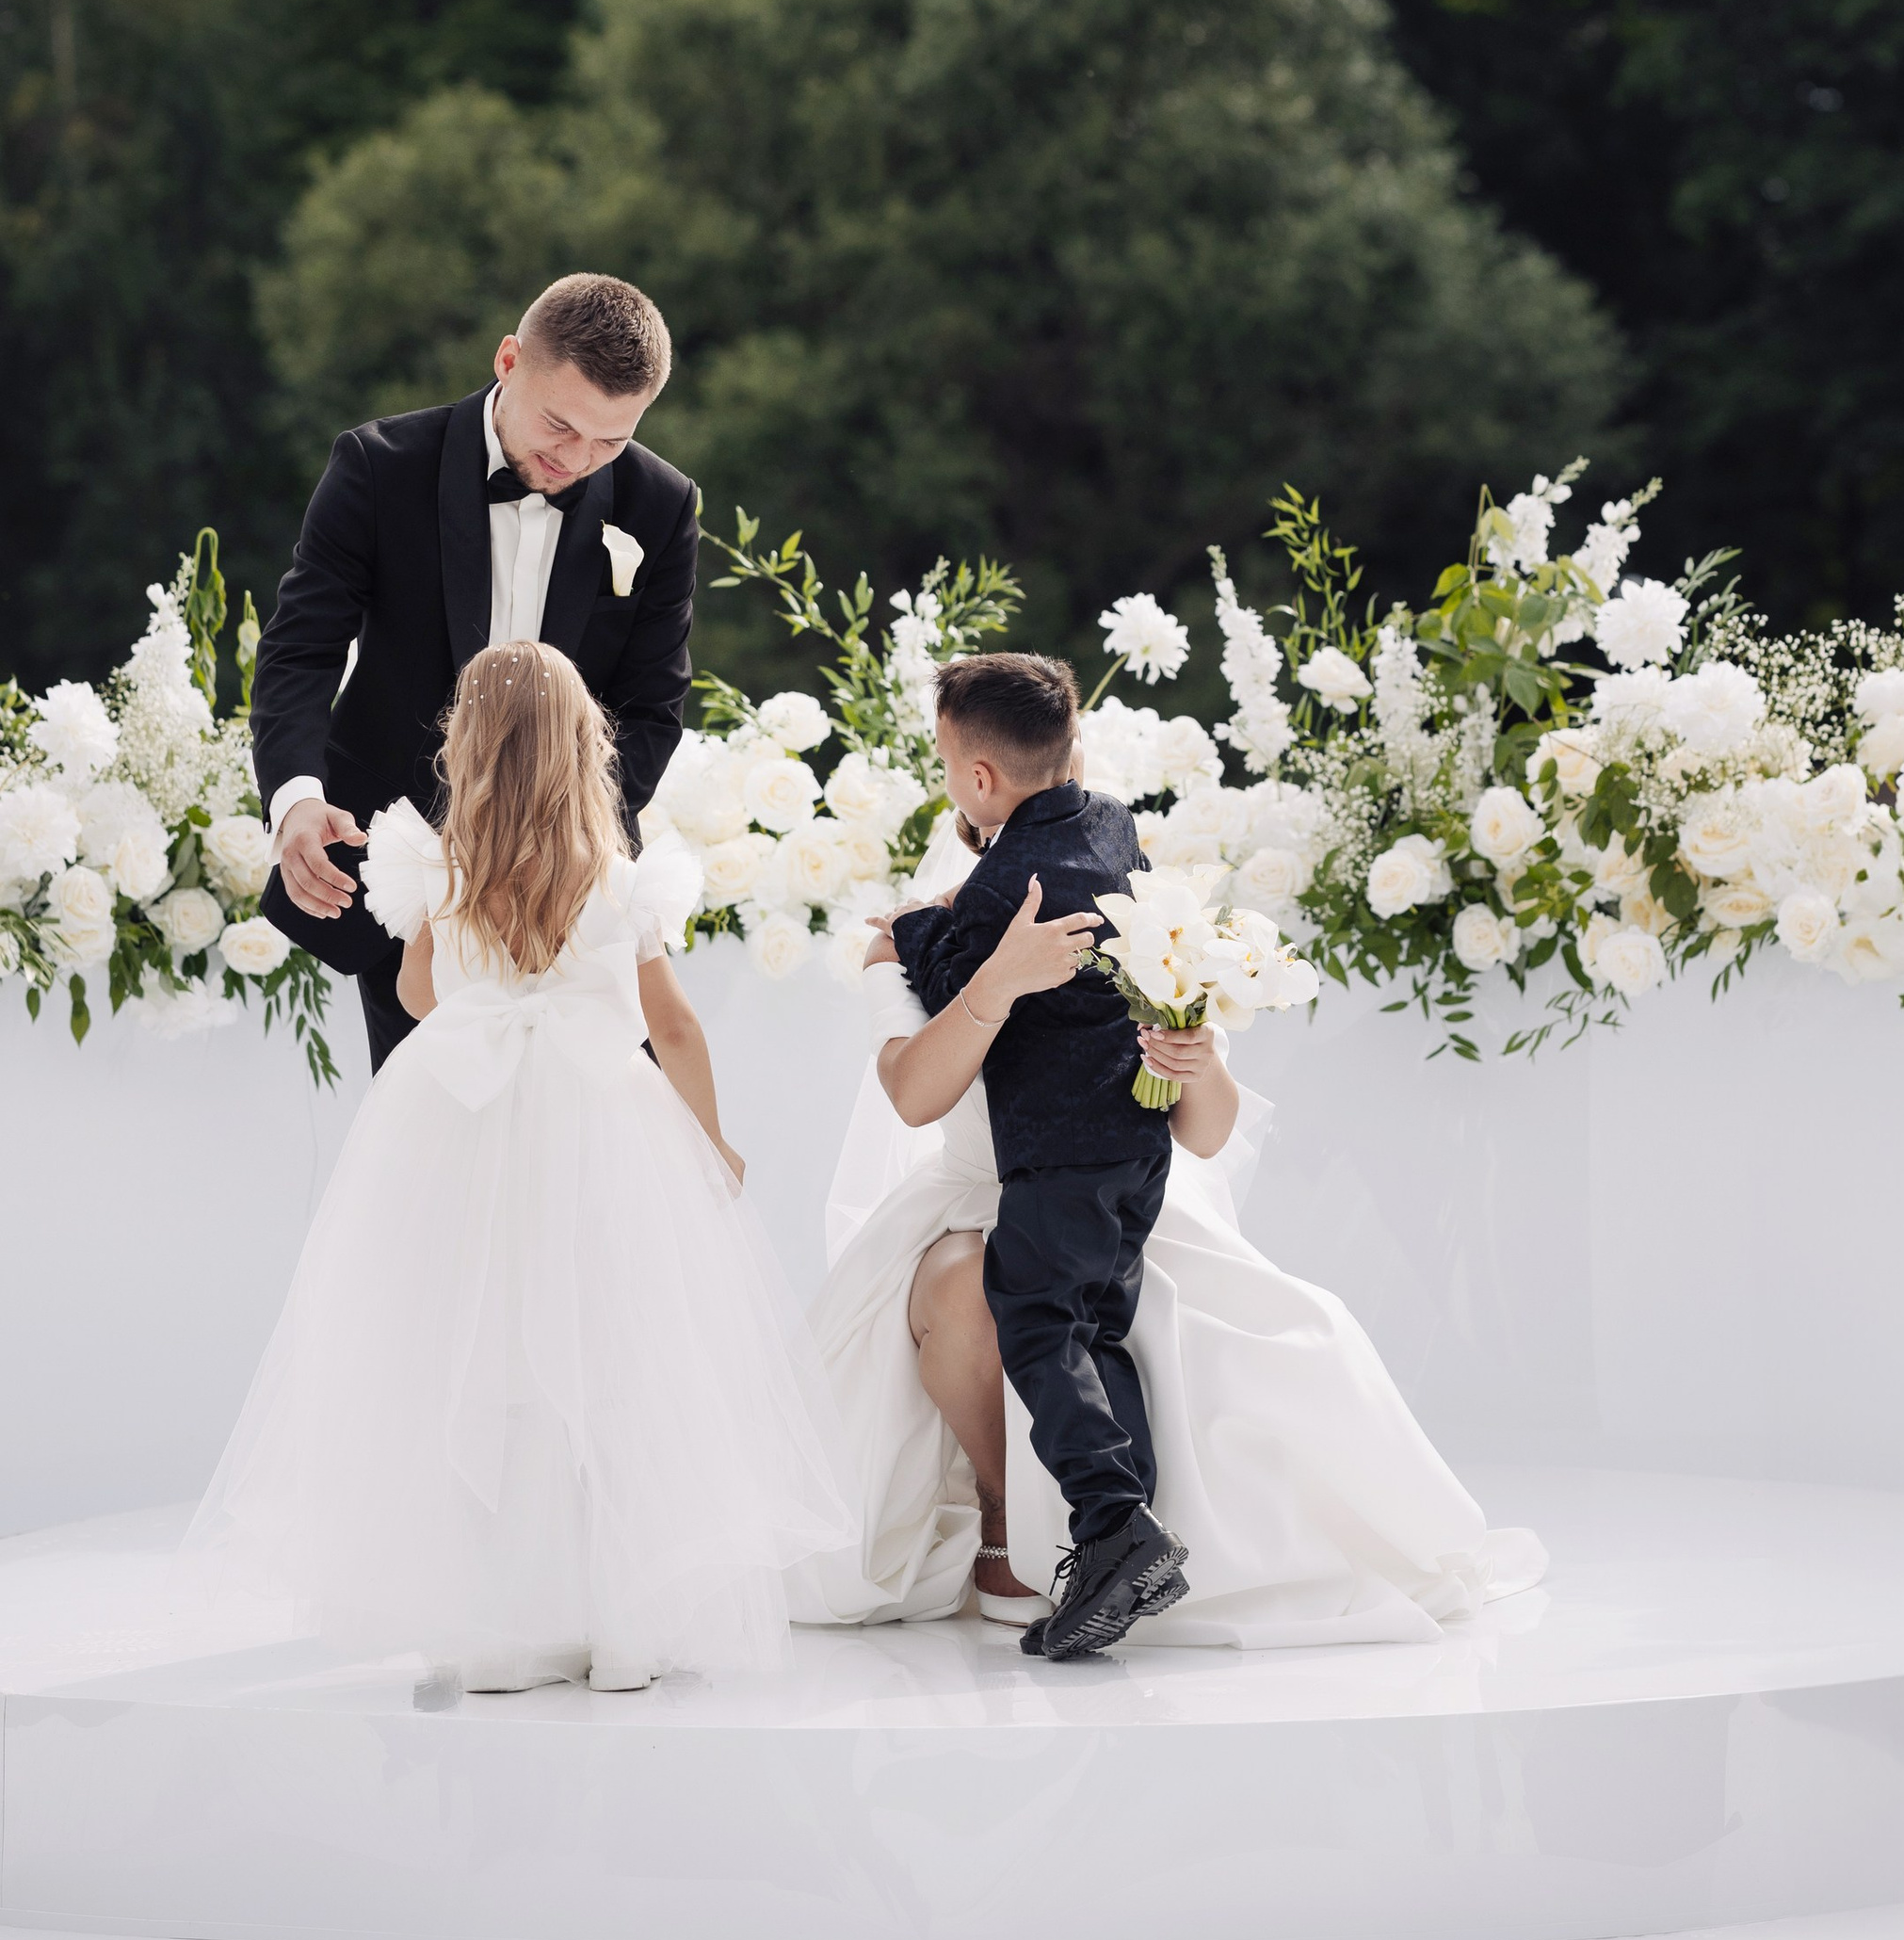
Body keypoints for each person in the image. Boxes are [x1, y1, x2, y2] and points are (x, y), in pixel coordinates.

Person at [788, 720, 1548, 1654]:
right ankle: (1008, 1520)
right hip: (981, 1193)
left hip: (1119, 1195)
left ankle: (1116, 1543)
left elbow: (1207, 1132)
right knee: (967, 1284)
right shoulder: (909, 946)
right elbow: (913, 1092)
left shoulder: (1134, 927)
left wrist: (1192, 1061)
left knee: (1244, 1324)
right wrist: (992, 978)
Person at [191, 640, 852, 1689]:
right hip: (605, 1124)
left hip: (464, 1123)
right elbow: (671, 1028)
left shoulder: (436, 869)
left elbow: (417, 997)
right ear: (584, 743)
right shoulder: (618, 875)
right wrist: (711, 1139)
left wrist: (488, 997)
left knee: (484, 1365)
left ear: (468, 744)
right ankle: (623, 1632)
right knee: (618, 1359)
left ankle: (500, 1628)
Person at [251, 272, 700, 1072]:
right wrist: (295, 799)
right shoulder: (377, 466)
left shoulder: (661, 505)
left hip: (573, 896)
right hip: (401, 876)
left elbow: (653, 703)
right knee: (436, 1155)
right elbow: (302, 647)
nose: (578, 459)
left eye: (611, 441)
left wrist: (565, 850)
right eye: (560, 426)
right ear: (507, 360)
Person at [886, 653, 1188, 1660]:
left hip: (1056, 1157)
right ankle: (1124, 1545)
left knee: (1039, 1327)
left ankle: (1109, 1526)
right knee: (1097, 1333)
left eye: (944, 762)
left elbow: (951, 984)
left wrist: (913, 929)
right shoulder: (1111, 826)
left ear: (979, 779)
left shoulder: (1001, 881)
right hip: (1137, 1146)